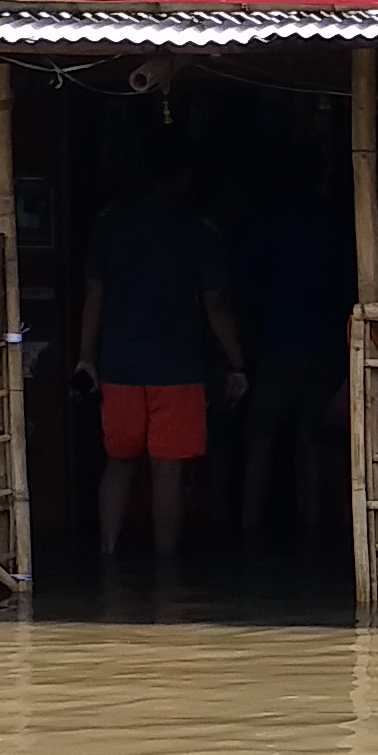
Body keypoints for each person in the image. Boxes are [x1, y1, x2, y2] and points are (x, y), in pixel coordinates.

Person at [78, 157, 247, 563]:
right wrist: (237, 363)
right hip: (177, 369)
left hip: (119, 365)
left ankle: (108, 555)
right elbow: (216, 304)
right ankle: (166, 568)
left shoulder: (109, 223)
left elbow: (93, 297)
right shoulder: (197, 228)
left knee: (117, 463)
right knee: (167, 471)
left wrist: (86, 358)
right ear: (184, 176)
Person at [229, 154, 357, 545]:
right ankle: (311, 525)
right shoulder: (332, 224)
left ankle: (248, 526)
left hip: (275, 345)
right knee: (310, 438)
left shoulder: (265, 222)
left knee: (261, 439)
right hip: (322, 344)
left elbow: (241, 283)